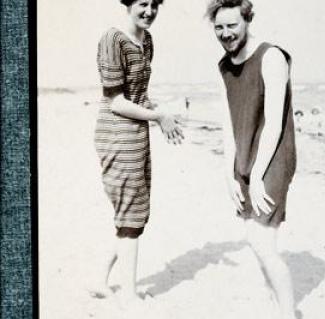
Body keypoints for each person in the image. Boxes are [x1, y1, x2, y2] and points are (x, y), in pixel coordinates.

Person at [206, 1, 297, 318]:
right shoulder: (223, 66)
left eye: (232, 25)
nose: (225, 33)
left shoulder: (271, 57)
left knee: (262, 241)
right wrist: (228, 172)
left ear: (247, 20)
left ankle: (288, 313)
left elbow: (273, 124)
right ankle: (274, 303)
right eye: (219, 27)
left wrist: (257, 175)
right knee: (252, 236)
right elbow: (228, 124)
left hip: (272, 157)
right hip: (243, 157)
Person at [91, 0, 183, 306]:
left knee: (134, 211)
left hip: (137, 132)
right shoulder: (112, 39)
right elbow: (116, 101)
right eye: (143, 3)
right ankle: (128, 296)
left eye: (155, 4)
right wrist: (157, 117)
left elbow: (138, 94)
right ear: (128, 2)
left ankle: (99, 281)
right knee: (131, 212)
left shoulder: (146, 40)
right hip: (117, 134)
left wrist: (158, 108)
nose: (150, 11)